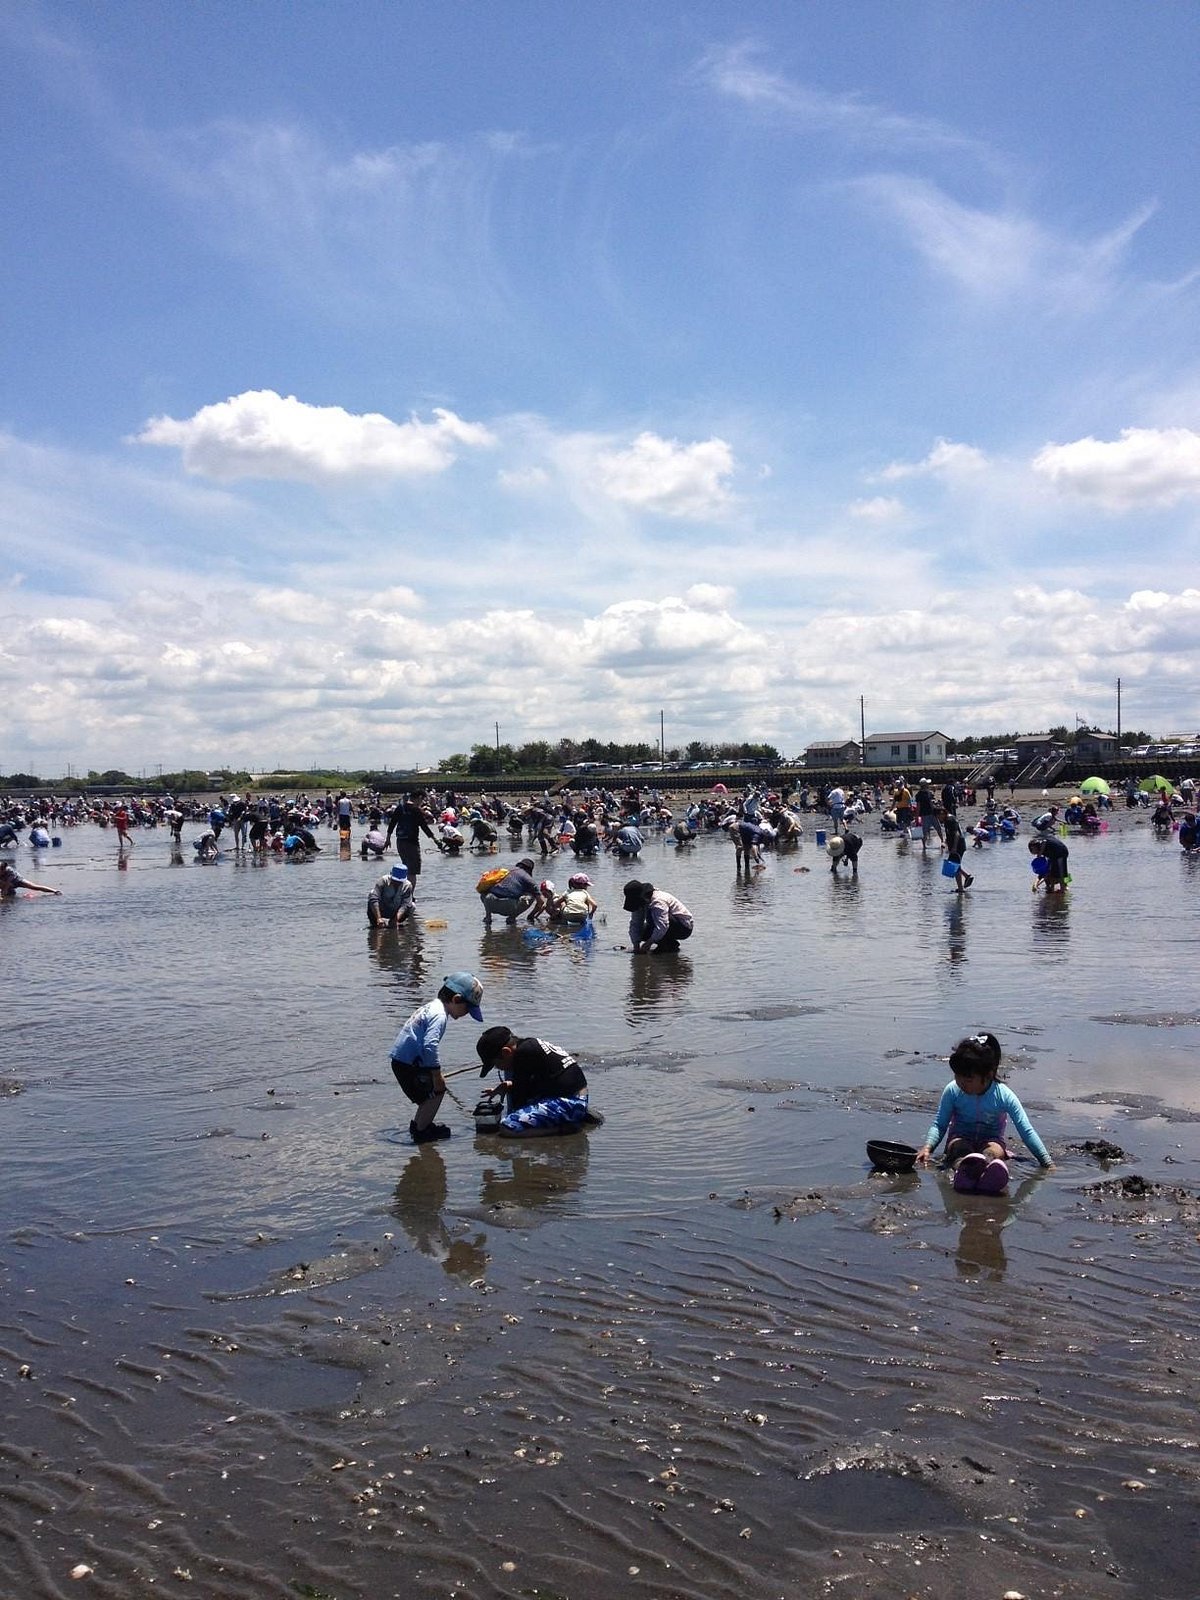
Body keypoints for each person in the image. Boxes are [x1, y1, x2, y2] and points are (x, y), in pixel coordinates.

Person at [916, 1032, 1052, 1194]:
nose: (961, 1083)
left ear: (988, 1075)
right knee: (960, 1147)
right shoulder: (953, 1091)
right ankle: (964, 1171)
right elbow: (940, 1123)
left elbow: (1026, 1130)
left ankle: (990, 1172)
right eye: (957, 1076)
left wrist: (1046, 1162)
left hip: (991, 1140)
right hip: (960, 1137)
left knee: (993, 1150)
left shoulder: (1003, 1095)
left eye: (968, 1080)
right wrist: (928, 1147)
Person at [389, 972, 484, 1143]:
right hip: (409, 1063)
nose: (466, 1014)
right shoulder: (439, 1016)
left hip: (403, 1060)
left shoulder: (432, 1007)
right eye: (467, 1009)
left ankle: (419, 1125)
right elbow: (429, 1045)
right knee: (437, 1091)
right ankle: (421, 1131)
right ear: (456, 999)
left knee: (428, 1095)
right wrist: (436, 1074)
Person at [475, 1026, 595, 1136]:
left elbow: (520, 1098)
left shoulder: (523, 1055)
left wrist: (514, 1115)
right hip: (575, 1094)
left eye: (496, 1064)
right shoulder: (528, 1045)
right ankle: (574, 1115)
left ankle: (565, 1129)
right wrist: (509, 1086)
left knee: (508, 1126)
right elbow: (536, 1082)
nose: (498, 1068)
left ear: (506, 1052)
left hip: (570, 1101)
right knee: (511, 1074)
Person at [384, 790, 445, 889]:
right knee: (412, 872)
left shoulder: (400, 807)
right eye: (423, 800)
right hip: (412, 843)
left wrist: (388, 839)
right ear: (419, 798)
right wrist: (436, 840)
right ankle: (409, 896)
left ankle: (402, 893)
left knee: (405, 868)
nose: (422, 803)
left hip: (400, 842)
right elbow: (424, 827)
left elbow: (392, 824)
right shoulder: (416, 810)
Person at [623, 880, 693, 953]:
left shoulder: (658, 901)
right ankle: (670, 944)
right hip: (663, 925)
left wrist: (648, 944)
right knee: (641, 932)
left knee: (652, 916)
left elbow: (662, 926)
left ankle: (667, 946)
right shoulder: (639, 903)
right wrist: (636, 945)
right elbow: (635, 923)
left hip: (683, 928)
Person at [479, 857, 542, 924]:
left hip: (489, 902)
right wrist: (531, 916)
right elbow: (540, 902)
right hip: (510, 906)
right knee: (531, 895)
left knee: (485, 890)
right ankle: (512, 918)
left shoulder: (503, 870)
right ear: (529, 870)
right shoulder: (528, 879)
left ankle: (488, 917)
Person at [368, 863, 415, 927]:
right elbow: (374, 898)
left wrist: (396, 919)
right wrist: (378, 918)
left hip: (396, 911)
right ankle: (375, 923)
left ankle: (394, 922)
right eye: (395, 881)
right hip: (382, 909)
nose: (397, 883)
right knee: (371, 894)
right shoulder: (383, 881)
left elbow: (406, 904)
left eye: (399, 882)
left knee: (412, 905)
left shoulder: (408, 885)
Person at [941, 808, 973, 893]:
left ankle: (961, 889)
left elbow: (957, 834)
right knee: (953, 864)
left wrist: (954, 847)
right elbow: (949, 834)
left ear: (942, 813)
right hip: (955, 846)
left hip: (958, 846)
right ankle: (966, 876)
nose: (938, 819)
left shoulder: (950, 820)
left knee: (954, 865)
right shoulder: (947, 820)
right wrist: (945, 843)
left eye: (938, 816)